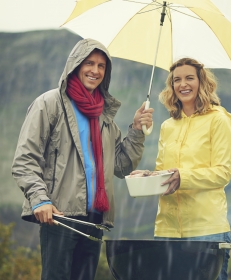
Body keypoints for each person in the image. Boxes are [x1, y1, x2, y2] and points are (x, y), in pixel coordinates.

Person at [11, 38, 154, 280]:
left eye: (101, 66)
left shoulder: (103, 115)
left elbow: (121, 166)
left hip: (95, 219)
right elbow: (25, 159)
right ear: (75, 65)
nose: (95, 70)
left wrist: (137, 130)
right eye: (89, 63)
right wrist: (39, 200)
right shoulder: (49, 104)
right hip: (59, 216)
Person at [131, 57, 231, 280]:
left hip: (206, 231)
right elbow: (164, 172)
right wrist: (148, 176)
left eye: (190, 78)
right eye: (177, 79)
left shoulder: (219, 120)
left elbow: (223, 172)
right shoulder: (168, 126)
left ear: (201, 82)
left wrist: (183, 177)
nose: (183, 84)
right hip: (167, 231)